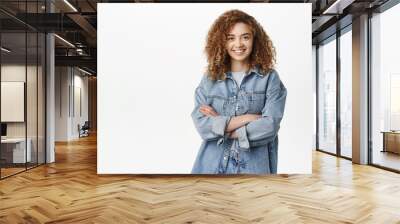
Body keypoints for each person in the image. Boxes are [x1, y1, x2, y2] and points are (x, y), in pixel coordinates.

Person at [191, 9, 287, 174]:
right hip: (211, 167)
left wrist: (223, 127)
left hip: (253, 169)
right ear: (222, 42)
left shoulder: (269, 78)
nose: (238, 44)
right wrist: (247, 118)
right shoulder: (210, 79)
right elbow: (202, 125)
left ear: (254, 40)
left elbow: (269, 125)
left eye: (245, 37)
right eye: (231, 38)